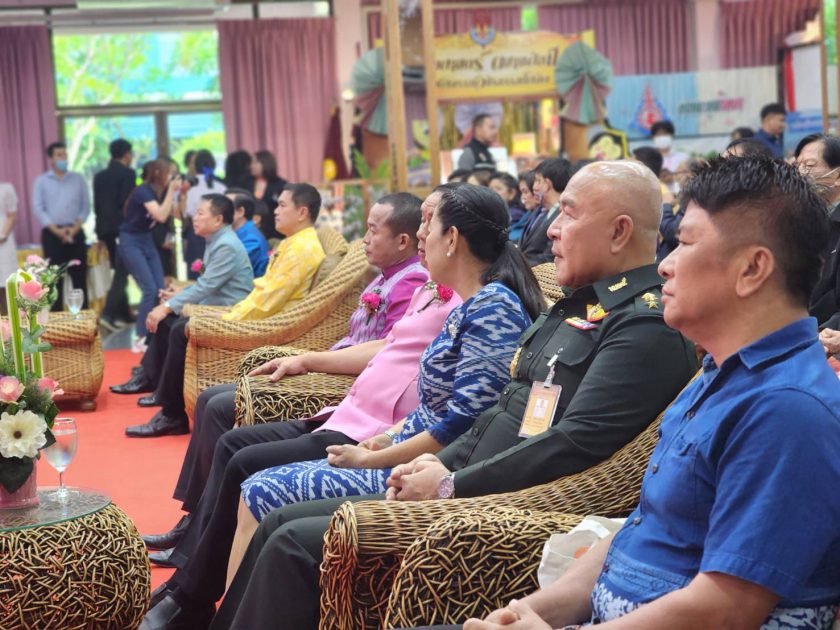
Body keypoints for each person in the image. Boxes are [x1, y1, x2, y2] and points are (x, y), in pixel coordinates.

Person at [206, 161, 698, 630]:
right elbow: (499, 412)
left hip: (503, 507)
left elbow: (570, 445)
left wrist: (450, 484)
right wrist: (434, 465)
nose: (550, 229)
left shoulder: (641, 326)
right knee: (278, 520)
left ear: (619, 232)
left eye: (567, 215)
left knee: (290, 538)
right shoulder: (581, 305)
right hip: (458, 478)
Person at [459, 155, 840, 630]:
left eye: (685, 244)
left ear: (752, 269)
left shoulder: (788, 409)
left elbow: (726, 607)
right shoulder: (715, 377)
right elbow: (643, 526)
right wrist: (534, 609)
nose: (666, 266)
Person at [139, 183, 546, 629]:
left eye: (430, 225)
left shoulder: (491, 307)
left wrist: (374, 454)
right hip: (391, 440)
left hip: (420, 469)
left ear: (452, 238)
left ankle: (202, 609)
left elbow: (463, 423)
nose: (421, 234)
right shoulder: (467, 300)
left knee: (259, 490)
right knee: (252, 481)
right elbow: (433, 404)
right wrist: (383, 438)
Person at [140, 192, 429, 562]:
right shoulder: (386, 277)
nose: (364, 240)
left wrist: (308, 360)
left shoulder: (414, 283)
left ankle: (196, 531)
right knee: (211, 400)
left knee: (220, 413)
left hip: (349, 396)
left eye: (373, 231)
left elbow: (386, 354)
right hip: (331, 371)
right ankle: (192, 519)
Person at [119, 184, 325, 437]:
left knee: (180, 327)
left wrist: (224, 319)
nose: (275, 211)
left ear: (302, 212)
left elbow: (266, 303)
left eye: (282, 205)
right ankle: (162, 397)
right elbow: (262, 295)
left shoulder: (302, 248)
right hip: (257, 315)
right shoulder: (293, 243)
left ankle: (171, 414)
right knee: (178, 323)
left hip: (269, 327)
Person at [118, 194, 254, 438]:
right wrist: (178, 296)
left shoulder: (225, 245)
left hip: (227, 313)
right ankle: (154, 383)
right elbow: (209, 283)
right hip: (214, 306)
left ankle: (172, 414)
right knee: (169, 322)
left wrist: (168, 306)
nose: (194, 218)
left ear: (218, 219)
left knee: (176, 325)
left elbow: (206, 287)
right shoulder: (217, 240)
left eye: (201, 213)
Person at [117, 160, 179, 343]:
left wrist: (179, 193)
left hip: (146, 239)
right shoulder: (142, 191)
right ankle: (141, 337)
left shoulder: (160, 193)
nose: (172, 177)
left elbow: (176, 214)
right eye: (170, 173)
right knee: (149, 289)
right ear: (158, 173)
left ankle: (157, 336)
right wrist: (171, 191)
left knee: (160, 289)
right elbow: (160, 216)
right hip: (131, 241)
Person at [32, 141, 89, 311]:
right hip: (52, 235)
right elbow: (38, 208)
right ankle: (57, 320)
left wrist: (74, 229)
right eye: (59, 155)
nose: (63, 158)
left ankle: (82, 319)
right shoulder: (41, 181)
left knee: (80, 279)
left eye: (65, 154)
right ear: (51, 159)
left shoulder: (78, 179)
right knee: (54, 280)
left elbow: (85, 206)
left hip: (75, 232)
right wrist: (57, 231)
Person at [794, 133, 840, 330]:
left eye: (810, 165)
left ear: (838, 176)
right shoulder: (799, 220)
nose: (801, 173)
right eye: (797, 165)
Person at [94, 138, 136, 330]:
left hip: (104, 230)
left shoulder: (99, 176)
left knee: (120, 269)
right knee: (122, 272)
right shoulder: (128, 173)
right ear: (127, 154)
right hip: (122, 229)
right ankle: (108, 313)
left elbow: (97, 206)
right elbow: (126, 203)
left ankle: (123, 314)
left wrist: (99, 233)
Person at [518, 158, 572, 266]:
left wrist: (515, 265)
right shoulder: (543, 212)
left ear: (547, 184)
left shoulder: (564, 215)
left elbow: (549, 258)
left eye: (538, 181)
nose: (534, 187)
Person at [182, 150, 225, 279]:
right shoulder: (222, 187)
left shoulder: (192, 189)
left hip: (197, 236)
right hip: (218, 235)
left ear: (195, 166)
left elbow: (187, 212)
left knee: (198, 272)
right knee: (216, 271)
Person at [224, 189, 270, 278]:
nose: (219, 211)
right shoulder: (233, 233)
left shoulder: (252, 239)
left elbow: (224, 271)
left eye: (226, 207)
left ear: (240, 212)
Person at [0, 182, 19, 311]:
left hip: (4, 241)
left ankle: (10, 319)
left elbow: (12, 215)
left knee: (7, 284)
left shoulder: (6, 188)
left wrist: (2, 236)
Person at [510, 171, 538, 243]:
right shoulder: (529, 214)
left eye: (525, 192)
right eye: (521, 193)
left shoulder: (543, 217)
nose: (522, 197)